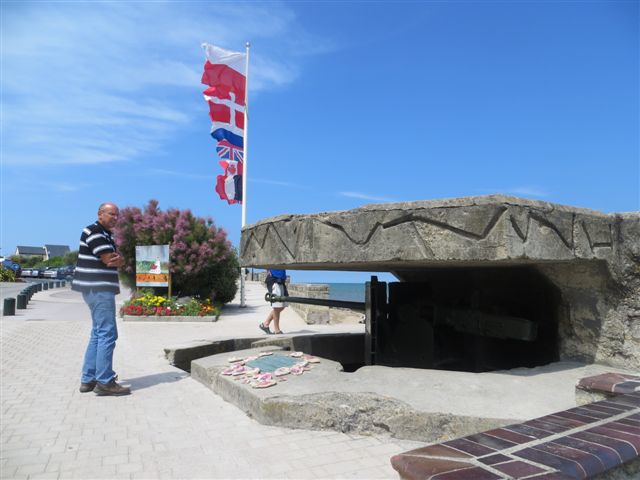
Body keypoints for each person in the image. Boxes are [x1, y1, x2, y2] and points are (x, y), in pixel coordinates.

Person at [72, 202, 130, 396]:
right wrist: (119, 259)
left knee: (98, 333)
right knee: (108, 333)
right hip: (98, 288)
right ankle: (105, 381)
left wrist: (118, 258)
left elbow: (115, 258)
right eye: (111, 214)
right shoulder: (94, 231)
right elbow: (109, 259)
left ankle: (88, 379)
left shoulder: (105, 234)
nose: (115, 218)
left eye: (117, 215)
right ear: (100, 214)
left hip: (96, 288)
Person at [259, 269, 288, 334]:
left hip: (281, 280)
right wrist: (268, 270)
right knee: (277, 306)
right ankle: (277, 330)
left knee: (283, 305)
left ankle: (265, 324)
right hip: (273, 279)